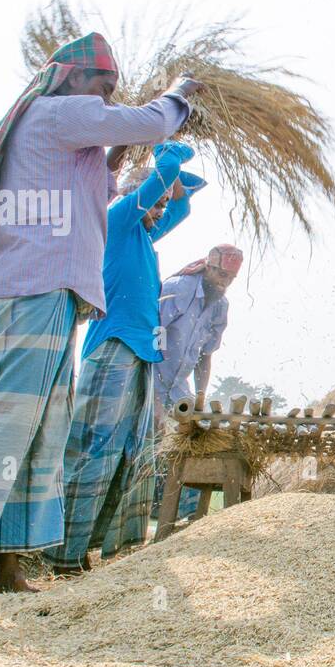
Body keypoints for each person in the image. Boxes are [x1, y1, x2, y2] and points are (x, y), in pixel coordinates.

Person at [0, 32, 201, 611]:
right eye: (104, 88)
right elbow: (153, 122)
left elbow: (99, 183)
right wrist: (180, 94)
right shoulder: (55, 112)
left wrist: (121, 153)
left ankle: (6, 571)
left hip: (52, 296)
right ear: (73, 79)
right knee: (4, 426)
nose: (106, 101)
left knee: (39, 435)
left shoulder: (63, 137)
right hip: (26, 290)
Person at [44, 143, 207, 574]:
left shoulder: (143, 237)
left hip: (140, 353)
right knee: (94, 446)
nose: (158, 212)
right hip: (112, 345)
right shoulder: (115, 221)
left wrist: (177, 184)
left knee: (129, 451)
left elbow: (182, 207)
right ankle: (62, 551)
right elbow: (162, 177)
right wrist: (166, 148)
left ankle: (100, 547)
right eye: (151, 204)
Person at [152, 244, 243, 410]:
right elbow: (154, 336)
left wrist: (200, 396)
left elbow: (205, 356)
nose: (225, 283)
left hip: (178, 391)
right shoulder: (178, 288)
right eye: (222, 275)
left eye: (231, 278)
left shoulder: (220, 306)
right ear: (209, 268)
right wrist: (154, 399)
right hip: (150, 383)